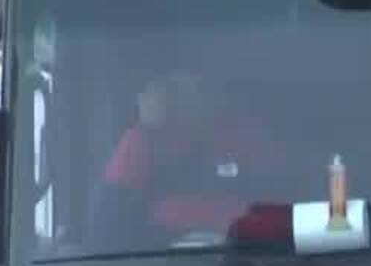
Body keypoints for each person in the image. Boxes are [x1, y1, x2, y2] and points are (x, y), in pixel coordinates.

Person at [90, 68, 285, 242]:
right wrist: (145, 130)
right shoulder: (144, 140)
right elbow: (107, 226)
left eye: (198, 86)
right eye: (174, 88)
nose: (187, 95)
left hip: (243, 257)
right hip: (157, 261)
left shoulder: (246, 136)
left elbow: (278, 210)